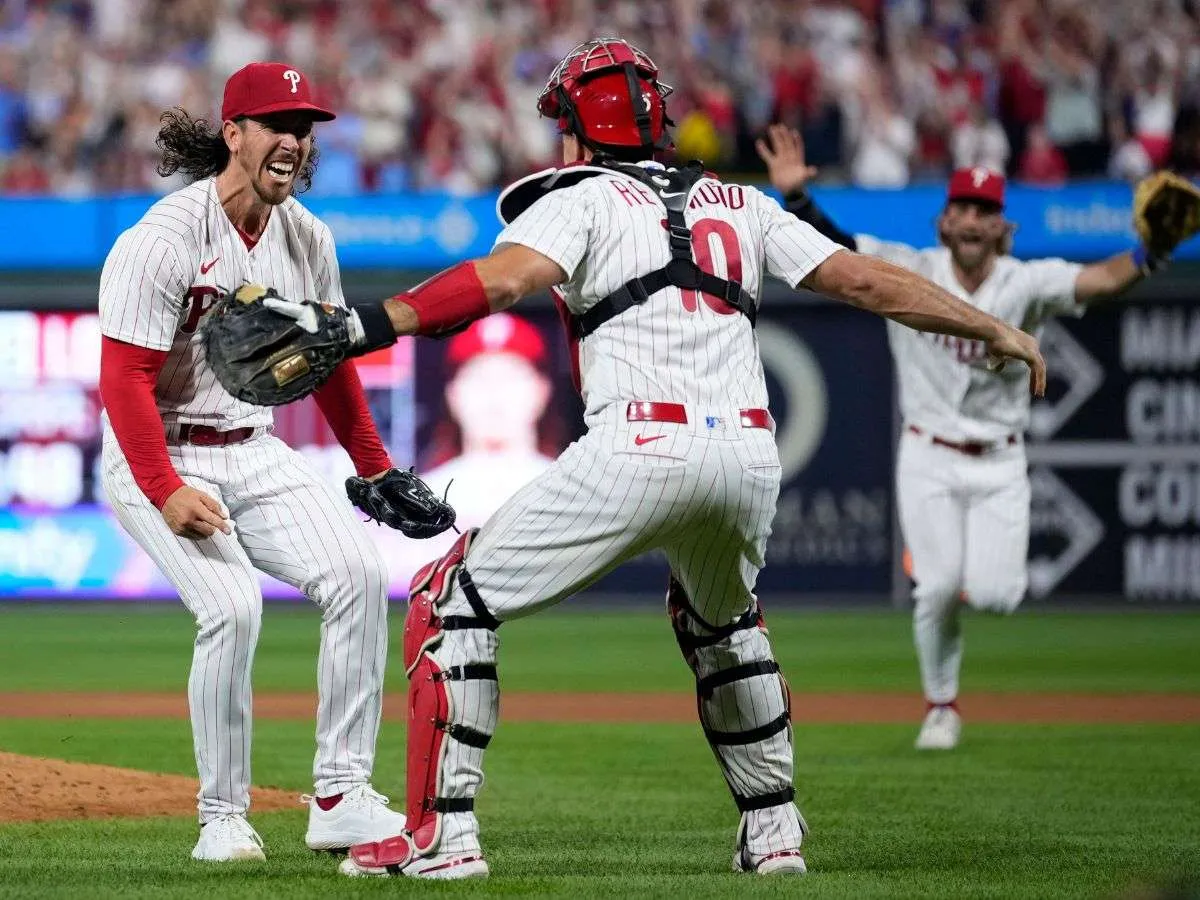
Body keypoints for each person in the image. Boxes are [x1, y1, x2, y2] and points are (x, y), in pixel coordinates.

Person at [251, 39, 1045, 879]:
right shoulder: (740, 202)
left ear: (577, 130)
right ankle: (775, 833)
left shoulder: (581, 195)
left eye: (561, 123)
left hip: (639, 442)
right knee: (725, 624)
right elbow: (866, 281)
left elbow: (503, 279)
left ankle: (443, 837)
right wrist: (992, 325)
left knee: (449, 600)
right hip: (747, 453)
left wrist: (365, 325)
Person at [96, 62, 413, 861]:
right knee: (233, 608)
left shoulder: (307, 237)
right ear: (232, 133)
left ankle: (341, 795)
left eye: (303, 128)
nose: (293, 140)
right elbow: (124, 380)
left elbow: (331, 359)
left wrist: (373, 466)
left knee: (358, 576)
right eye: (276, 122)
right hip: (158, 450)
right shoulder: (165, 238)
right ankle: (223, 818)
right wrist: (165, 490)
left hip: (253, 445)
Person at [756, 124, 1159, 751]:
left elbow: (1102, 281)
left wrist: (1147, 255)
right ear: (944, 222)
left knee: (997, 597)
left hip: (1001, 461)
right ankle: (941, 704)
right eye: (963, 208)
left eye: (986, 211)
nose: (973, 220)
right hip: (928, 453)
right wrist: (798, 200)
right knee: (938, 586)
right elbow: (837, 250)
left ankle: (957, 639)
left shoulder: (1025, 283)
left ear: (1004, 227)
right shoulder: (913, 269)